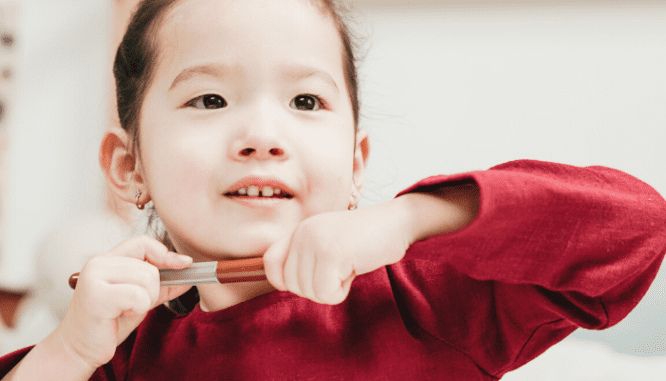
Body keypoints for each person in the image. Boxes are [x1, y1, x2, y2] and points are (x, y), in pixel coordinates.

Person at [1, 0, 665, 379]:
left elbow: (637, 229)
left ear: (355, 164)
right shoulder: (121, 355)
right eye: (209, 97)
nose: (262, 134)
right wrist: (69, 350)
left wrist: (415, 217)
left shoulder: (425, 297)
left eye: (305, 100)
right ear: (128, 167)